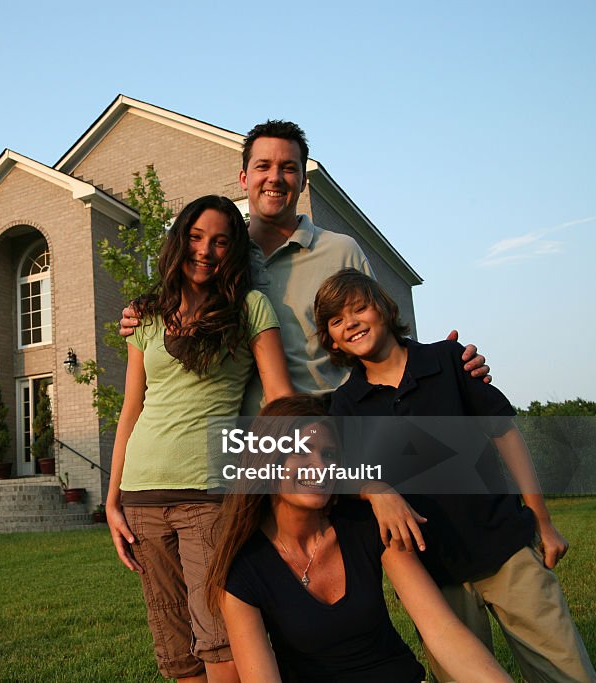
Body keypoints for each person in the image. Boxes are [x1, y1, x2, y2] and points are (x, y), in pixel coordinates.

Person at [316, 268, 596, 683]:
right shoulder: (346, 403)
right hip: (434, 575)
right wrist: (375, 490)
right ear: (331, 338)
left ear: (385, 308)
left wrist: (543, 520)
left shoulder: (448, 360)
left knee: (565, 670)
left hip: (505, 549)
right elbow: (342, 473)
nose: (352, 323)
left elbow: (505, 434)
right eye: (337, 320)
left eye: (359, 308)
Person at [119, 120, 489, 412]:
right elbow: (183, 309)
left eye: (288, 167)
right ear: (244, 179)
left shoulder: (340, 251)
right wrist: (140, 314)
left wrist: (448, 364)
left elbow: (380, 337)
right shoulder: (222, 259)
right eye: (263, 166)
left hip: (336, 425)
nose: (275, 177)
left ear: (302, 179)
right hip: (251, 436)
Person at [107, 195, 294, 682]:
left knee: (222, 643)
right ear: (179, 241)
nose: (205, 250)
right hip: (142, 498)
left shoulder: (250, 307)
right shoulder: (146, 316)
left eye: (219, 241)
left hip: (209, 497)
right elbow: (132, 410)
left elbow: (279, 399)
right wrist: (112, 501)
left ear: (232, 251)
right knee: (176, 650)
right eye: (195, 237)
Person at [205, 395, 511, 683]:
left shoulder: (363, 525)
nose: (320, 467)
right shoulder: (243, 569)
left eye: (328, 454)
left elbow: (441, 630)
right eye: (300, 451)